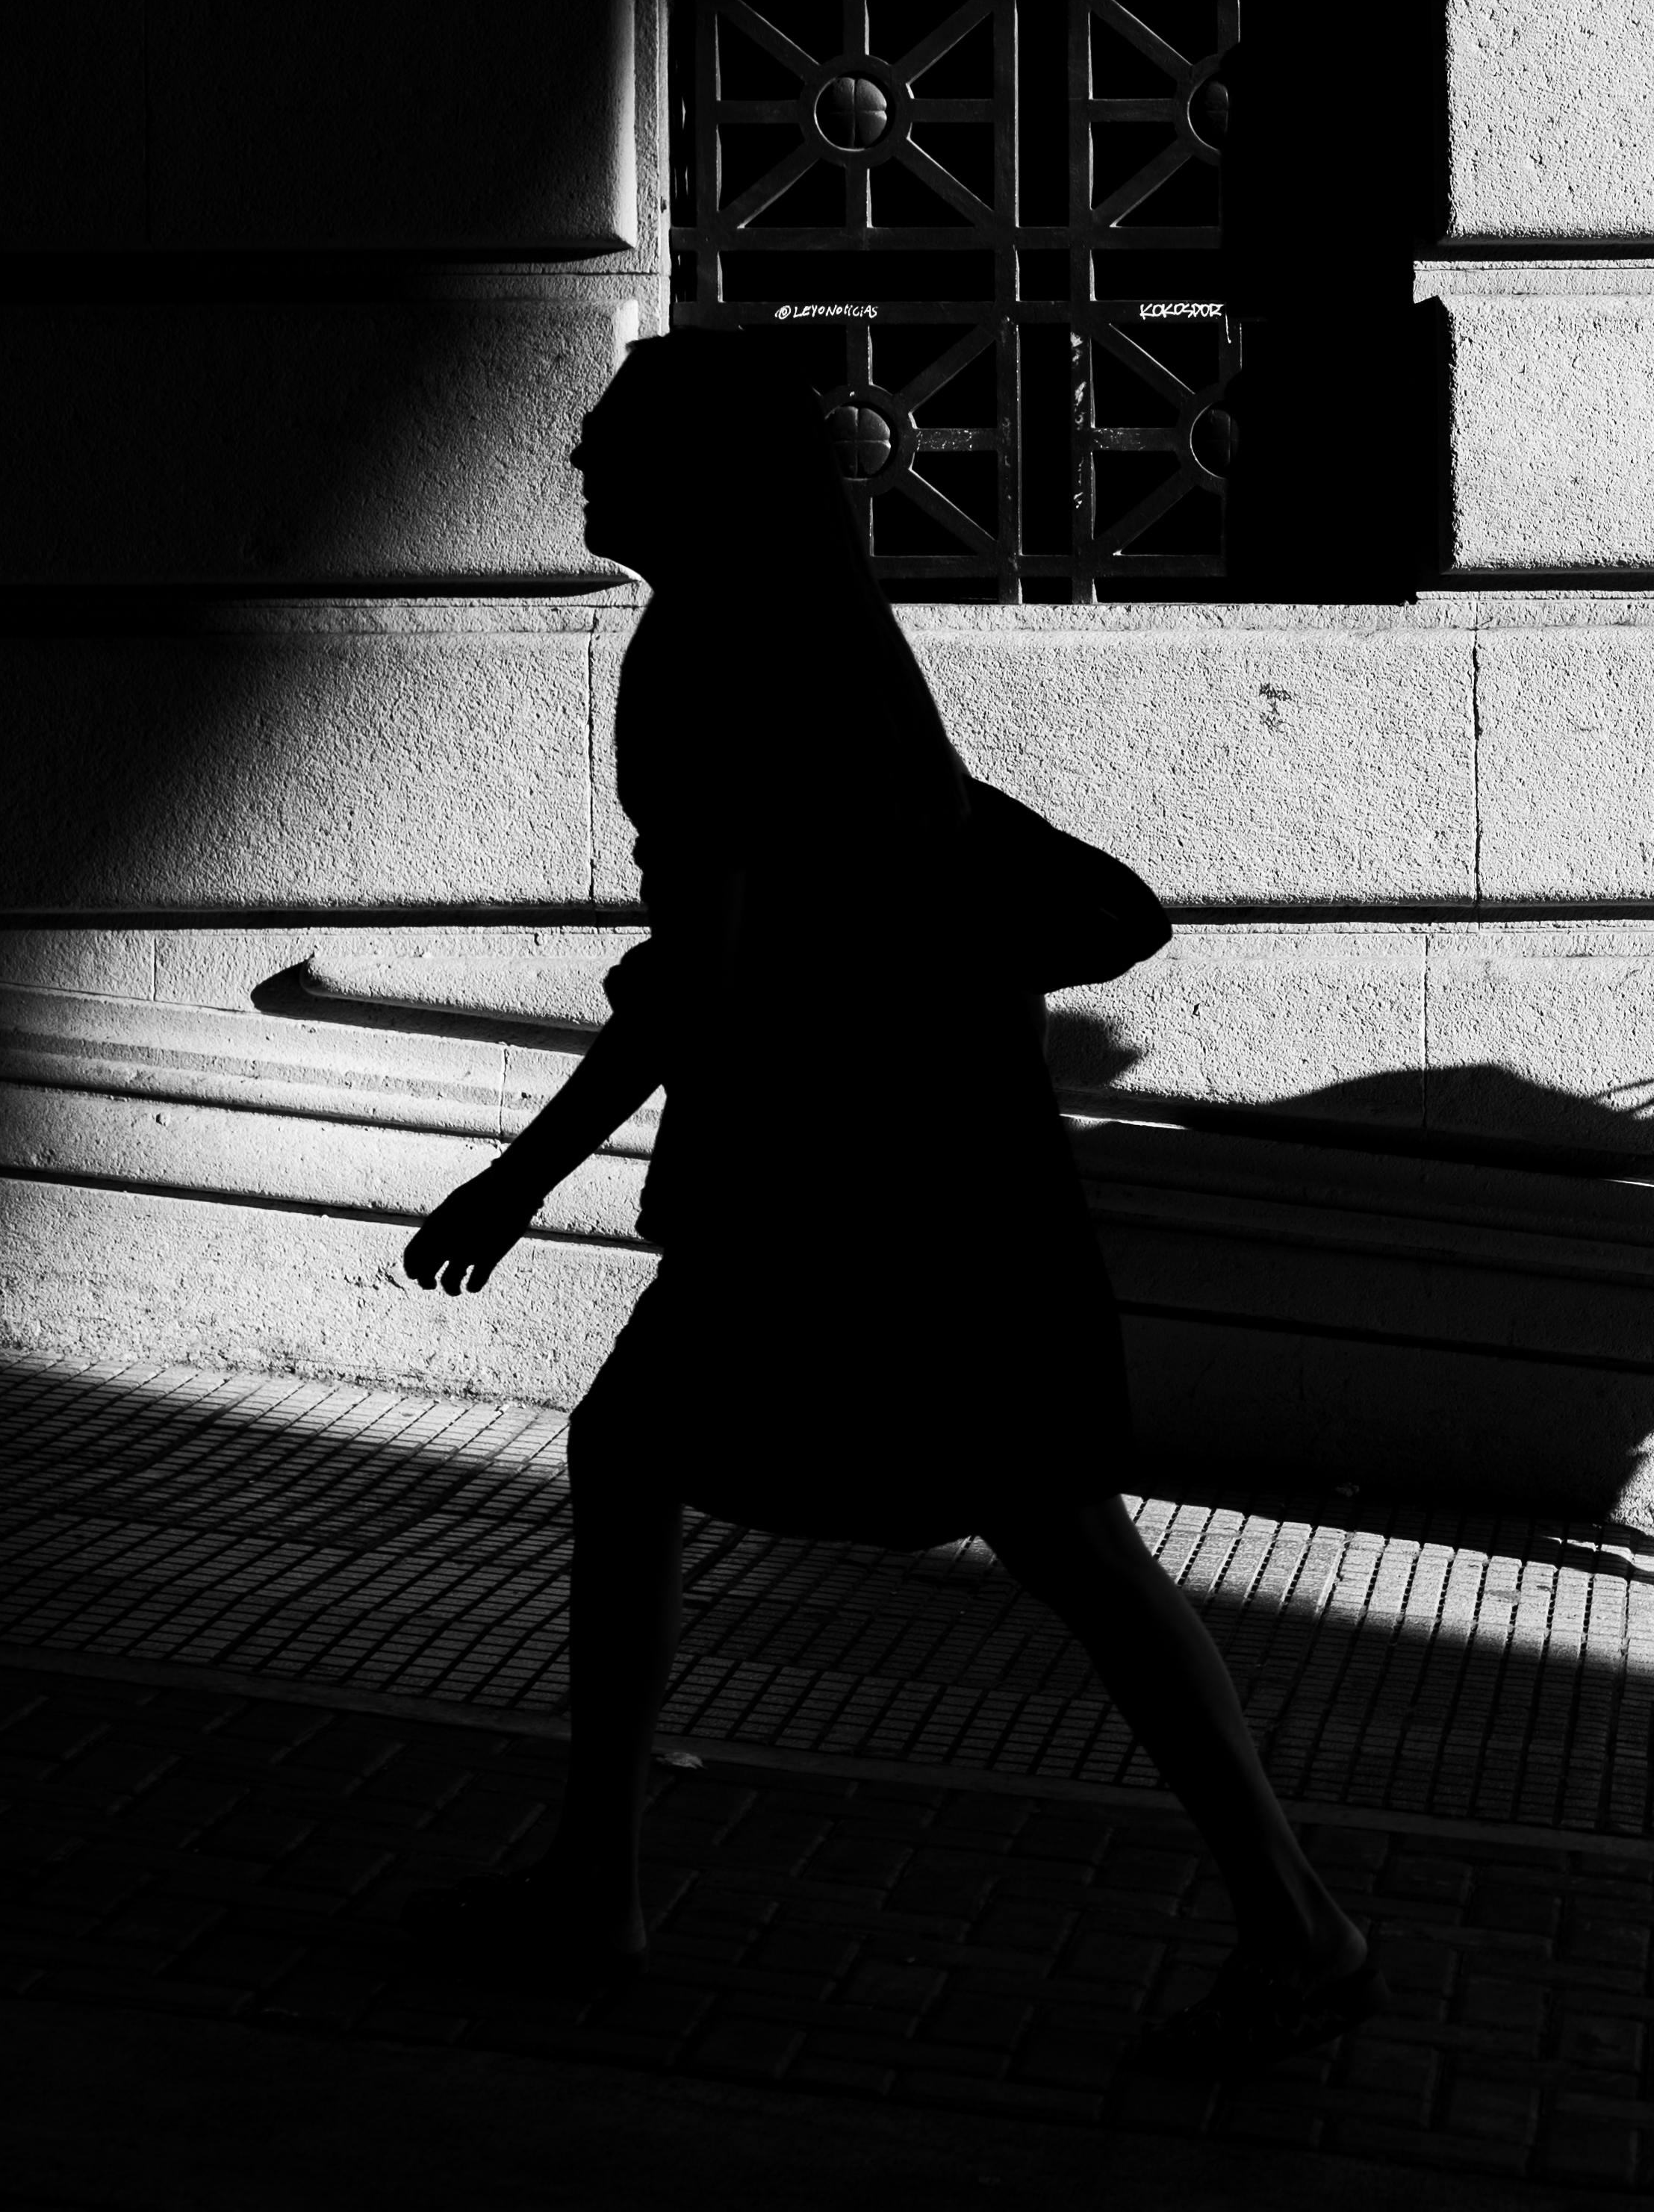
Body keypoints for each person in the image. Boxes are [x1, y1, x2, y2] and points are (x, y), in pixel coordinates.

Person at [395, 331, 1371, 2075]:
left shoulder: (704, 652)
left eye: (614, 445)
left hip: (840, 1192)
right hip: (947, 1164)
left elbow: (696, 980)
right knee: (1046, 1524)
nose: (582, 469)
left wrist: (518, 1175)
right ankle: (1290, 1921)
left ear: (701, 477)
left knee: (679, 1457)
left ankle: (598, 1890)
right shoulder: (832, 630)